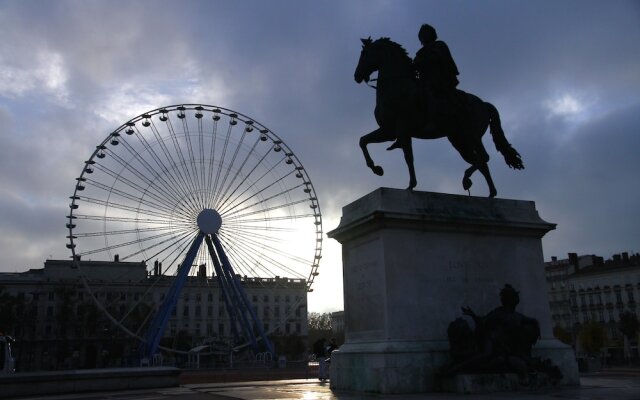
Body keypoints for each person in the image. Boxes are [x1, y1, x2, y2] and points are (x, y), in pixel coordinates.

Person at [388, 24, 460, 150]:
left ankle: (433, 120)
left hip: (438, 80)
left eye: (425, 33)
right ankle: (402, 131)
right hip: (424, 80)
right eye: (421, 35)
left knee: (428, 93)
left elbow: (437, 59)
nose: (423, 36)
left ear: (432, 34)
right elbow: (416, 65)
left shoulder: (439, 45)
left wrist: (421, 63)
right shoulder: (421, 51)